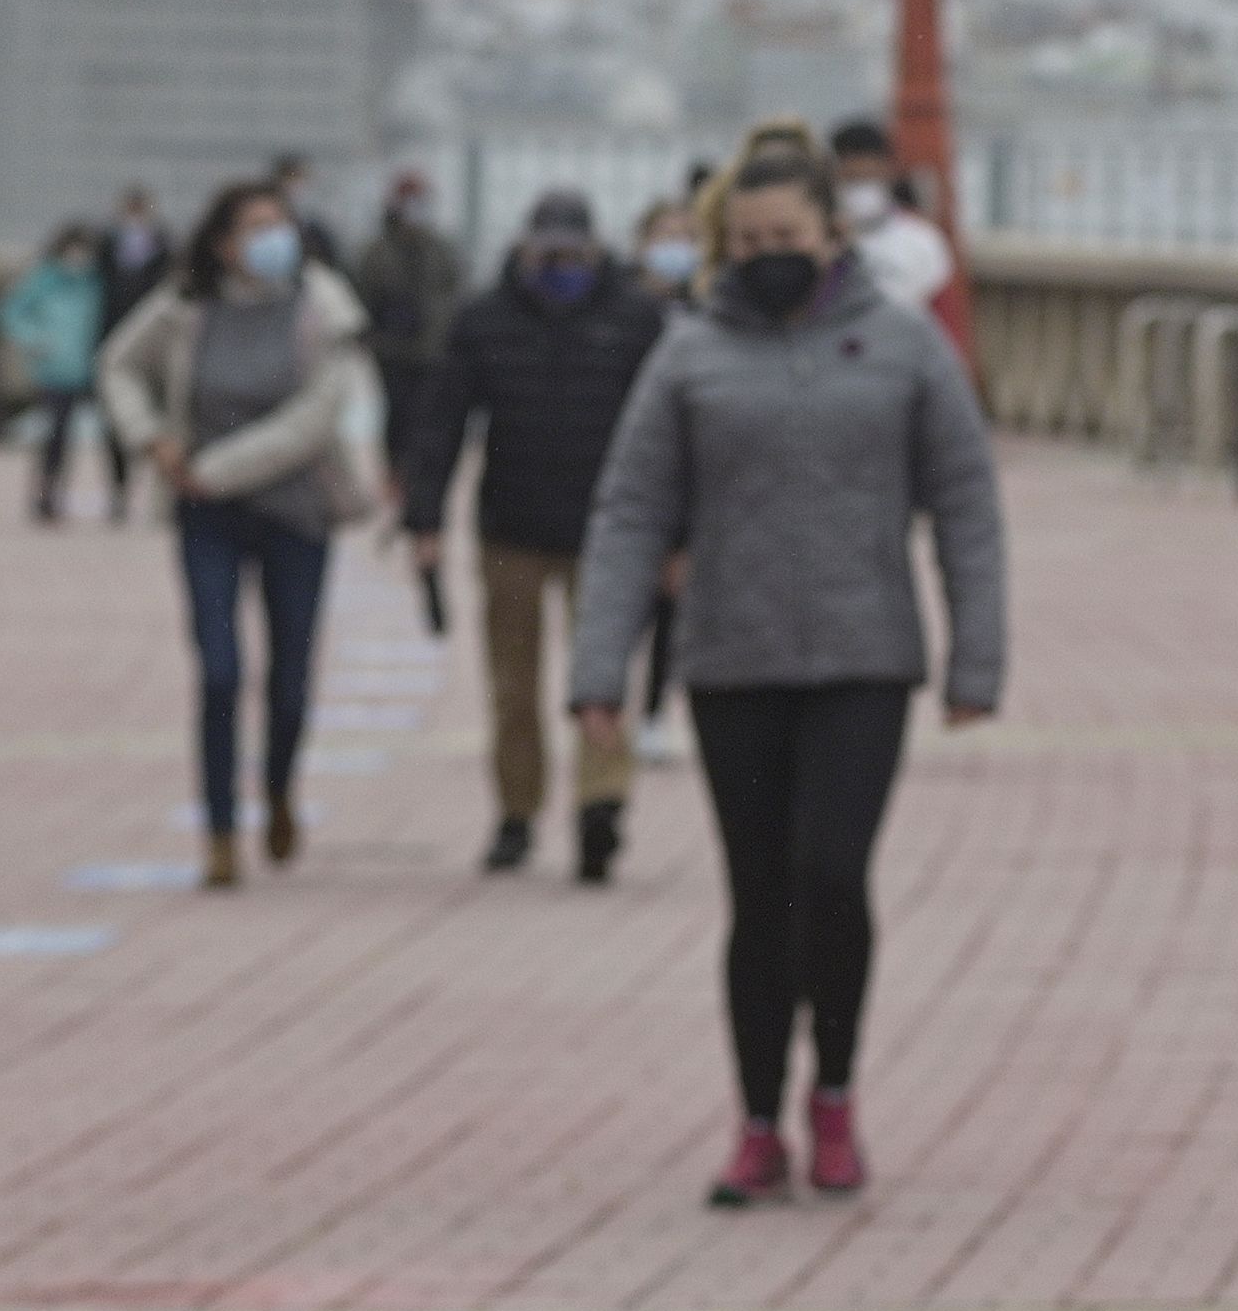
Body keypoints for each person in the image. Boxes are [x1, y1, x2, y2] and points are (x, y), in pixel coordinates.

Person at [566, 147, 1004, 1206]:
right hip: (734, 657)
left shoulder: (901, 344)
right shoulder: (687, 354)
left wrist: (974, 654)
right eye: (748, 242)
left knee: (832, 877)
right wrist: (600, 668)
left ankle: (837, 1094)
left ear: (831, 239)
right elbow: (630, 511)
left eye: (787, 240)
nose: (767, 257)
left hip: (865, 657)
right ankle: (758, 1117)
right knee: (757, 897)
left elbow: (964, 499)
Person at [98, 181, 374, 889]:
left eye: (280, 224)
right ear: (222, 243)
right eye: (255, 227)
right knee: (219, 670)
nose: (271, 238)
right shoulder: (187, 308)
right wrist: (151, 438)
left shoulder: (323, 308)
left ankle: (278, 786)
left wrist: (212, 469)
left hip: (297, 511)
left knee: (289, 680)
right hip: (207, 519)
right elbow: (119, 367)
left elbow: (314, 419)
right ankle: (219, 830)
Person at [398, 191, 669, 883]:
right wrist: (424, 519)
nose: (559, 266)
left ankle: (600, 806)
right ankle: (517, 813)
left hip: (609, 530)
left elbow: (672, 435)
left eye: (571, 253)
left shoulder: (639, 319)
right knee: (513, 684)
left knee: (604, 675)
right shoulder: (483, 321)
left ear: (597, 250)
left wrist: (676, 531)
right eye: (545, 253)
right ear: (522, 249)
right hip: (510, 529)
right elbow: (441, 426)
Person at [625, 197, 708, 767]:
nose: (676, 247)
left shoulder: (711, 312)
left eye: (687, 236)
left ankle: (654, 711)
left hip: (689, 477)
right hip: (627, 474)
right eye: (665, 235)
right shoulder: (621, 311)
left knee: (671, 604)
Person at [350, 171, 464, 495]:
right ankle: (395, 474)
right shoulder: (377, 252)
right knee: (397, 414)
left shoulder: (441, 249)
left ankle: (417, 475)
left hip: (434, 350)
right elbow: (363, 300)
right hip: (393, 352)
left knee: (428, 416)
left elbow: (454, 294)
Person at [0, 226, 106, 523]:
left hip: (85, 369)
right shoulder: (45, 280)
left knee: (74, 438)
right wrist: (36, 340)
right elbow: (8, 312)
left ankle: (58, 493)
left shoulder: (94, 283)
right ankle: (46, 494)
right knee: (54, 436)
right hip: (53, 371)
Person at [827, 119, 954, 320]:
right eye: (851, 179)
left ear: (889, 171)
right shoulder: (823, 241)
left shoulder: (924, 240)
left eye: (867, 178)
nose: (860, 190)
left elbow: (943, 314)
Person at [95, 187, 172, 519]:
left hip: (156, 350)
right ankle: (119, 490)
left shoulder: (165, 246)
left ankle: (161, 494)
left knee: (162, 422)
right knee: (115, 424)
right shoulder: (106, 245)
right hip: (113, 339)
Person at [268, 152, 344, 274]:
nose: (297, 186)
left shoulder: (316, 231)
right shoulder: (269, 231)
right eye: (292, 178)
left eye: (302, 179)